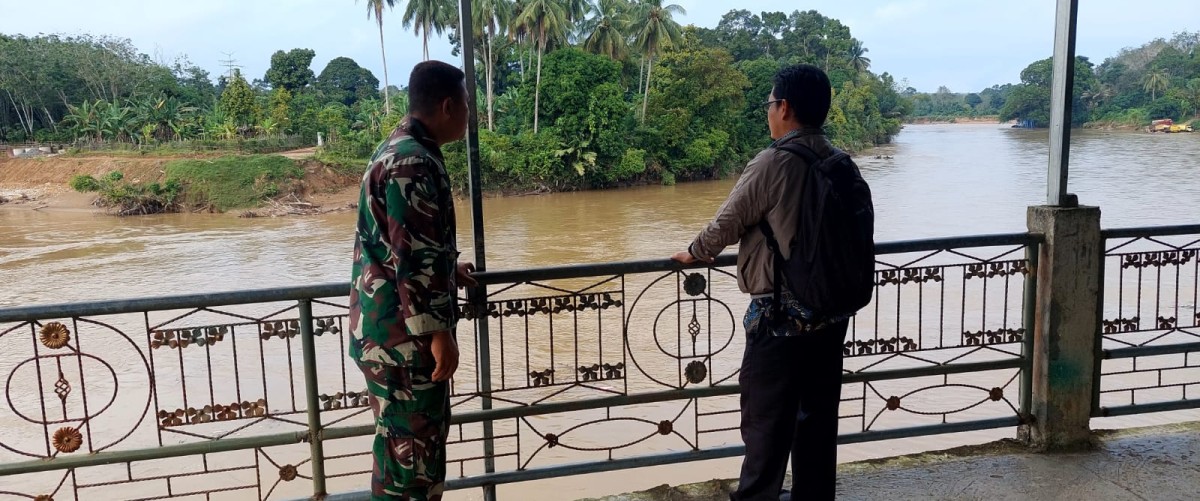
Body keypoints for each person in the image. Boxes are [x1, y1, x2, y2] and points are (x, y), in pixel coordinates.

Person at [671, 64, 850, 501]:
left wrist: (694, 253)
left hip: (779, 320)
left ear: (785, 107)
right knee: (817, 422)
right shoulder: (840, 161)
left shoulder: (774, 162)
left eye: (770, 104)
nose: (768, 112)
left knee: (766, 426)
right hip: (832, 316)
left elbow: (727, 223)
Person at [348, 60, 477, 501]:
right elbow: (412, 256)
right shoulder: (412, 161)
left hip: (386, 332)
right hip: (405, 342)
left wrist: (448, 268)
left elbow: (403, 243)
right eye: (465, 105)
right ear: (447, 106)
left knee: (400, 448)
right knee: (414, 462)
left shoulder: (402, 148)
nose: (468, 114)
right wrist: (438, 332)